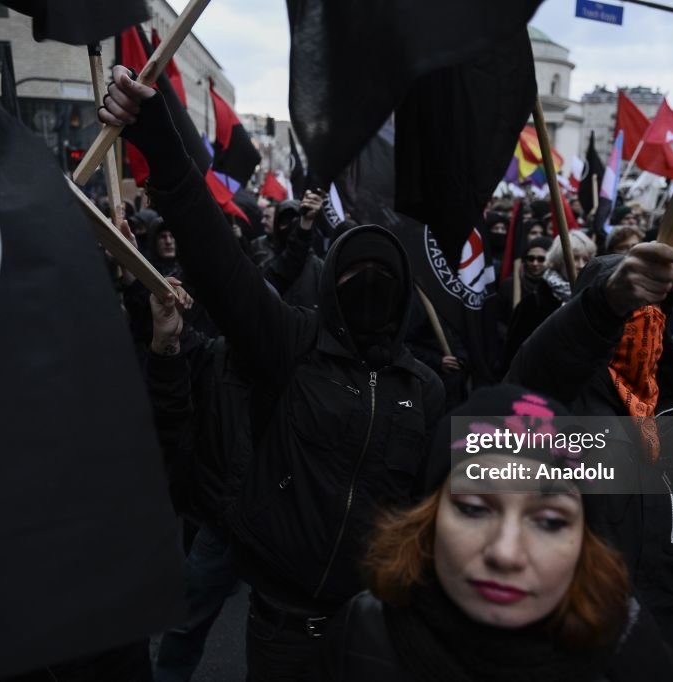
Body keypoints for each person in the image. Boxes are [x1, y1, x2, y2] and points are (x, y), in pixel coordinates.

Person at [100, 65, 444, 680]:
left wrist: (663, 453)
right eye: (352, 274)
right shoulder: (291, 343)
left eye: (383, 279)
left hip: (375, 634)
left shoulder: (423, 388)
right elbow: (217, 258)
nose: (368, 287)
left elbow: (506, 451)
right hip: (283, 630)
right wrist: (156, 136)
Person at [321, 386, 673, 681]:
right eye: (473, 509)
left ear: (585, 543)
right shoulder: (362, 631)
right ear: (427, 521)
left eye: (549, 521)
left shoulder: (635, 657)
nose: (505, 553)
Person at [505, 243, 673, 655]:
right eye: (629, 316)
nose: (643, 328)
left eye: (652, 317)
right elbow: (537, 373)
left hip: (659, 637)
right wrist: (605, 304)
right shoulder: (559, 405)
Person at [500, 230, 596, 368]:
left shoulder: (594, 298)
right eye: (575, 258)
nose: (581, 265)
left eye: (586, 259)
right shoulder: (533, 303)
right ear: (559, 261)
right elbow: (514, 353)